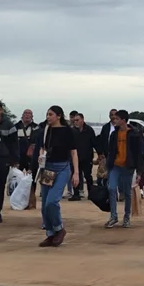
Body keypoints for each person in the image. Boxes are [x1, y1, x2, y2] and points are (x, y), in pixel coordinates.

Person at [36, 106, 80, 247]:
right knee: (44, 206)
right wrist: (40, 155)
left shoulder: (67, 131)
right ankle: (50, 234)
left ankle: (59, 228)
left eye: (51, 114)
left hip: (62, 168)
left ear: (59, 116)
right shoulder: (46, 130)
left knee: (51, 202)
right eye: (47, 114)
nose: (48, 117)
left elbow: (73, 152)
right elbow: (43, 147)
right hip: (47, 169)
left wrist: (76, 172)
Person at [105, 109, 144, 228]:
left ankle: (127, 216)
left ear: (123, 120)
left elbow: (140, 154)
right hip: (115, 166)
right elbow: (111, 151)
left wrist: (139, 171)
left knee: (127, 193)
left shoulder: (134, 134)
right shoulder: (114, 134)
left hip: (127, 167)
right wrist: (108, 165)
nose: (114, 120)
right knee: (112, 189)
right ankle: (113, 216)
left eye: (117, 119)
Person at [71, 113, 96, 202]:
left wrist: (100, 154)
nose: (76, 122)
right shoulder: (72, 131)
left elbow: (94, 142)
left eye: (77, 120)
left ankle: (91, 194)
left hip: (87, 157)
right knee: (75, 175)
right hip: (75, 158)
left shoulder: (89, 130)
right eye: (74, 120)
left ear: (82, 120)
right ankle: (76, 194)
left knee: (88, 176)